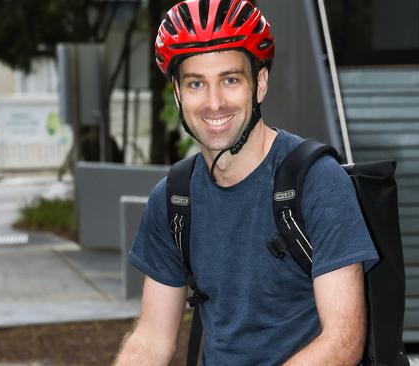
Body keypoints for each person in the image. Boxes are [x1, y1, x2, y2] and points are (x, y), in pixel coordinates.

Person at [115, 0, 378, 364]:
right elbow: (151, 339)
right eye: (195, 83)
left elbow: (342, 341)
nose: (214, 102)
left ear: (260, 84)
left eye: (230, 79)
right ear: (177, 93)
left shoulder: (316, 181)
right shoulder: (175, 199)